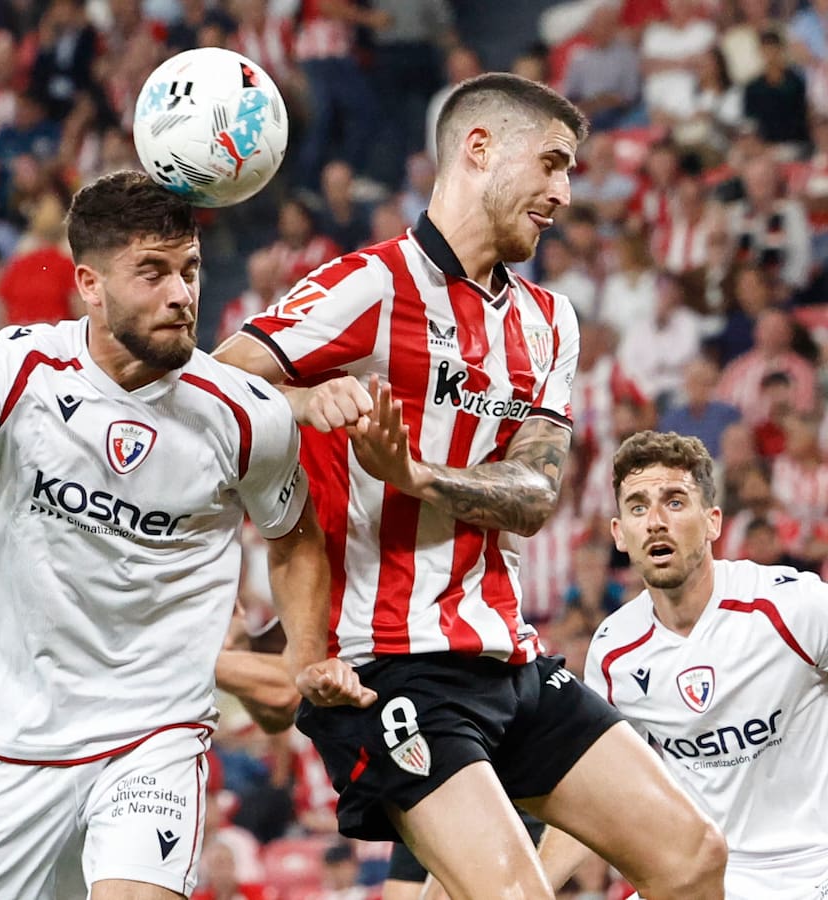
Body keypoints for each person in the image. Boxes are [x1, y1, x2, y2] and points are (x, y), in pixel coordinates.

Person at [214, 72, 726, 900]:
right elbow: (213, 389)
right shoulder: (370, 286)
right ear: (479, 150)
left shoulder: (547, 320)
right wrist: (306, 398)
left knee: (693, 855)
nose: (563, 192)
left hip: (506, 655)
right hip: (388, 666)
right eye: (552, 165)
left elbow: (536, 487)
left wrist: (414, 473)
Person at [0, 171, 372, 899]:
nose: (182, 293)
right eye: (154, 272)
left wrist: (305, 657)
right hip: (12, 748)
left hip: (154, 737)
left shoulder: (245, 413)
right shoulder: (14, 372)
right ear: (90, 285)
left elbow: (293, 538)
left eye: (191, 269)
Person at [552, 430, 828, 899]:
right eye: (638, 507)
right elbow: (595, 791)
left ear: (712, 521)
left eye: (675, 502)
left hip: (809, 869)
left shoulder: (794, 606)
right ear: (620, 533)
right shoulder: (614, 650)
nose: (655, 521)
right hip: (700, 877)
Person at [0, 533, 306, 732]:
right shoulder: (3, 534)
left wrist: (214, 652)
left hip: (143, 748)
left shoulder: (167, 541)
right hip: (30, 748)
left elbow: (282, 703)